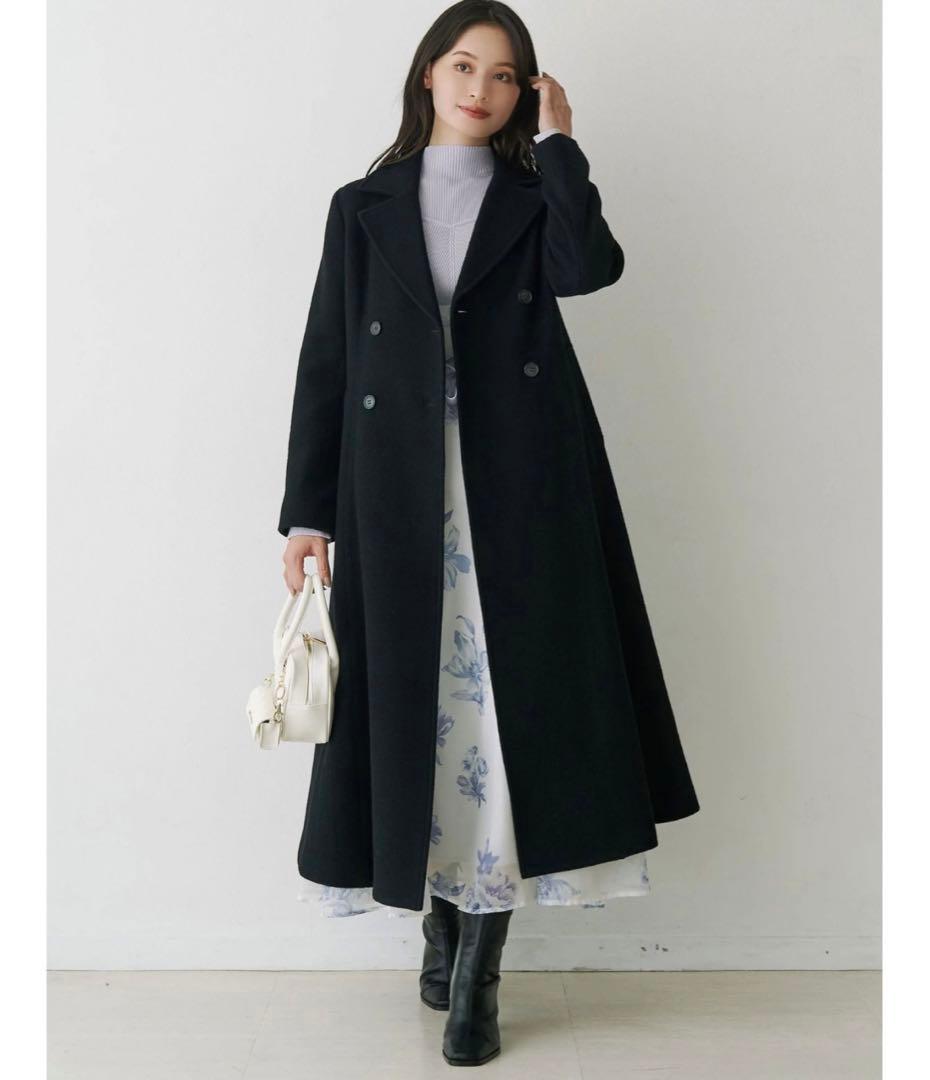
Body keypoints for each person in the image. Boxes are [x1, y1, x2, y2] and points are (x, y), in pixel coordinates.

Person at [277, 1, 700, 1067]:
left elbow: (587, 269)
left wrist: (562, 149)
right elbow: (329, 353)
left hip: (524, 490)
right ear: (428, 73)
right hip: (396, 495)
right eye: (464, 65)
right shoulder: (361, 205)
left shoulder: (532, 192)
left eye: (505, 76)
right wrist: (308, 511)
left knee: (506, 719)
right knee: (421, 712)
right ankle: (439, 916)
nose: (480, 88)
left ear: (526, 93)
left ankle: (481, 970)